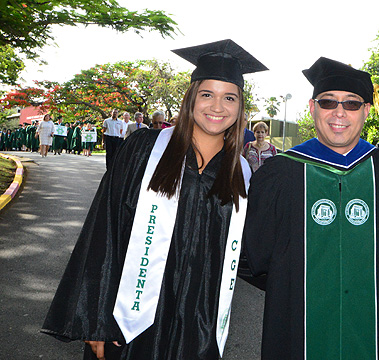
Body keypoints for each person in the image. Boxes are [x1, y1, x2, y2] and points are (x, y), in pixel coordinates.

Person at [42, 39, 266, 360]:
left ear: (239, 106)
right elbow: (104, 226)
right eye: (207, 94)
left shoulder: (241, 173)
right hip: (131, 320)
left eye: (229, 97)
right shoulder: (146, 149)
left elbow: (247, 253)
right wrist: (96, 319)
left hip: (198, 319)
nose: (217, 106)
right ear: (191, 99)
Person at [242, 57, 379, 359]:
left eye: (352, 104)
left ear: (366, 110)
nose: (339, 112)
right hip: (296, 328)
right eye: (328, 102)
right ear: (312, 106)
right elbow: (257, 257)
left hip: (375, 331)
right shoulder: (279, 174)